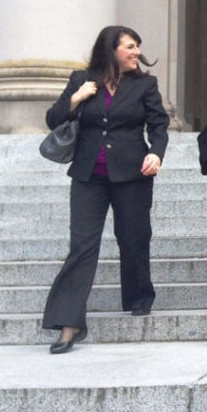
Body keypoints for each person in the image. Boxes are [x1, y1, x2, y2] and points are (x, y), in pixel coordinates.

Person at [42, 26, 170, 354]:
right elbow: (53, 119)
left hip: (132, 173)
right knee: (82, 246)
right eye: (129, 46)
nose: (136, 52)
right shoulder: (80, 80)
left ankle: (138, 297)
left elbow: (158, 125)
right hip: (88, 176)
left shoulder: (145, 84)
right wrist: (76, 97)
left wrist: (155, 152)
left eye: (138, 47)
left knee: (134, 237)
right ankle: (69, 326)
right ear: (111, 49)